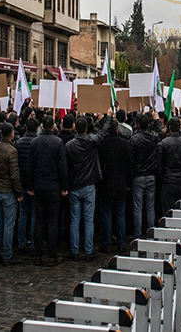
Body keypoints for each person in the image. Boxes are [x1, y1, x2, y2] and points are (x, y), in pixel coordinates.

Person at [66, 111, 112, 261]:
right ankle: (88, 251)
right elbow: (104, 132)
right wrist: (109, 116)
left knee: (74, 220)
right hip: (89, 185)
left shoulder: (69, 145)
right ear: (86, 129)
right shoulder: (92, 141)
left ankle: (74, 251)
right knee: (88, 220)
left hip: (75, 185)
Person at [26, 115, 68, 267]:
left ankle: (38, 254)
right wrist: (64, 187)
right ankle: (52, 254)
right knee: (52, 222)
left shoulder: (34, 142)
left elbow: (30, 167)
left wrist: (30, 187)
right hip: (53, 187)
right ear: (53, 126)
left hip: (39, 186)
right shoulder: (58, 142)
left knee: (39, 221)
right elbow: (62, 168)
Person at [98, 119, 133, 254]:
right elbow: (128, 165)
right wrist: (129, 183)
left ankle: (106, 244)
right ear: (117, 129)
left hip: (106, 183)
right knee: (120, 215)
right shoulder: (125, 144)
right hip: (120, 183)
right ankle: (121, 244)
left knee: (106, 215)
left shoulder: (102, 144)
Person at [0, 123, 22, 265]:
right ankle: (7, 255)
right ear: (11, 133)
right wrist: (19, 191)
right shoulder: (11, 151)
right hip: (8, 191)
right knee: (9, 225)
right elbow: (15, 174)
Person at [129, 112, 159, 239]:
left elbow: (131, 159)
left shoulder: (134, 139)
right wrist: (157, 120)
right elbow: (159, 132)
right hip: (151, 175)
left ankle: (137, 235)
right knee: (150, 206)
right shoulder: (153, 137)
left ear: (138, 125)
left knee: (138, 208)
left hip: (138, 176)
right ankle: (151, 233)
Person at [155, 117, 181, 214]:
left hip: (168, 182)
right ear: (180, 127)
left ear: (169, 127)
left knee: (168, 213)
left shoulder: (164, 143)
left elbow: (158, 165)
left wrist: (162, 179)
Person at [16, 118, 39, 255]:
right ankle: (34, 243)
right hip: (34, 184)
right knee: (34, 215)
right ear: (36, 129)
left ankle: (21, 242)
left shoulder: (18, 143)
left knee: (23, 215)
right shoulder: (37, 143)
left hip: (22, 182)